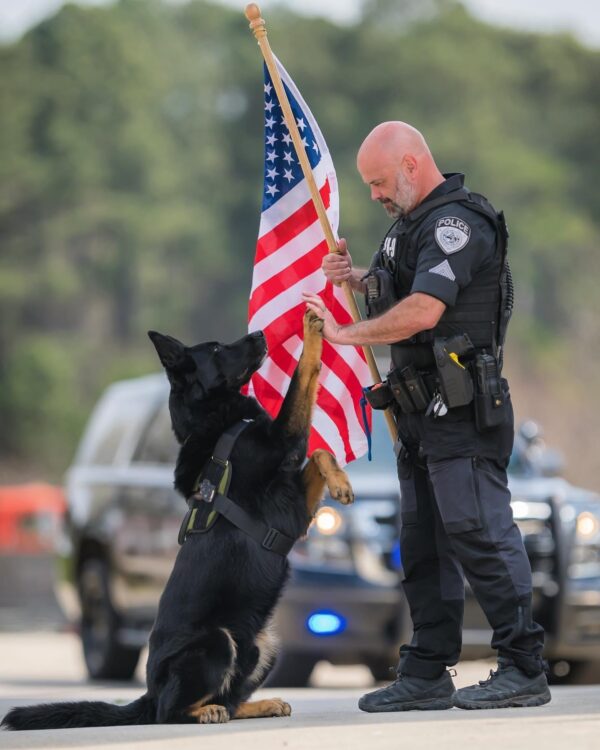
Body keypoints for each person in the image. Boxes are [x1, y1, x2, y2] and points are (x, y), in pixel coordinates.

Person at [302, 121, 550, 712]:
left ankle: (523, 667)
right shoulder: (407, 227)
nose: (375, 195)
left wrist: (343, 333)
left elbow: (423, 310)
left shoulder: (456, 223)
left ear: (412, 165)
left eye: (380, 182)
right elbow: (398, 288)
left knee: (480, 534)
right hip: (418, 416)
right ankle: (428, 671)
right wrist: (359, 279)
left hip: (462, 412)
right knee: (424, 547)